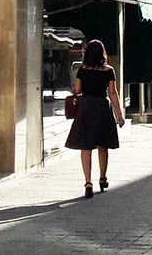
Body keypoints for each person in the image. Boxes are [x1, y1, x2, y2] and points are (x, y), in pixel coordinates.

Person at [63, 39, 124, 198]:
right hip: (102, 108)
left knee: (86, 146)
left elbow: (77, 89)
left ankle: (88, 182)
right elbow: (112, 93)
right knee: (102, 144)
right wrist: (119, 115)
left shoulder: (82, 70)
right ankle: (102, 178)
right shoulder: (109, 70)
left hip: (86, 108)